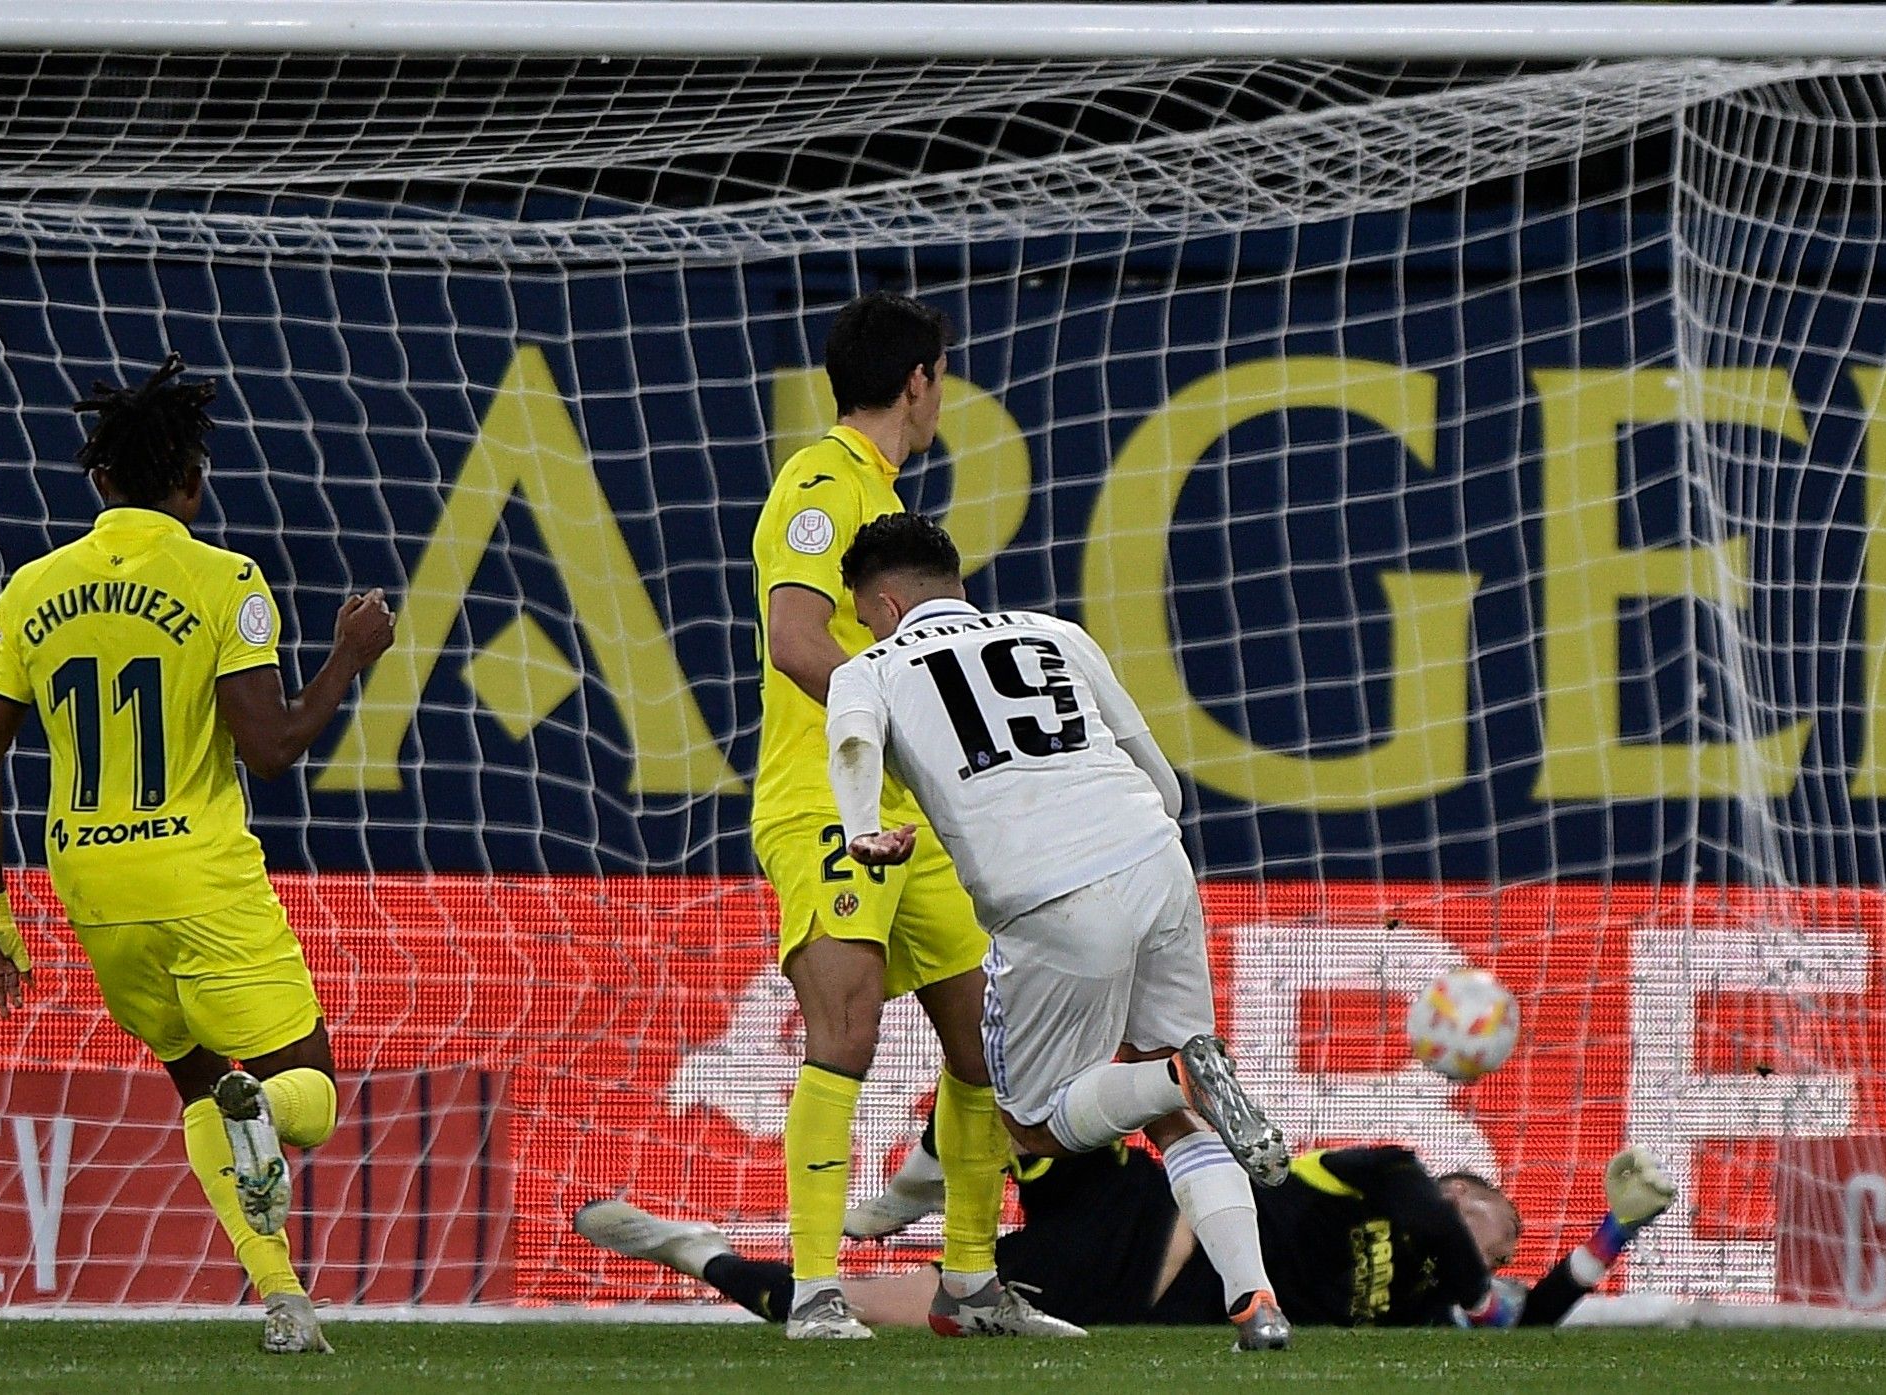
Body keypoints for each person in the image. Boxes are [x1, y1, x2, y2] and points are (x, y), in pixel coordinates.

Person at [0, 354, 396, 1354]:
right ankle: (263, 1113)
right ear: (192, 483)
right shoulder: (225, 580)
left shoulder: (33, 590)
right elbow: (272, 749)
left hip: (91, 886)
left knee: (194, 1077)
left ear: (99, 482)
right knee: (308, 1099)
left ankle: (284, 1303)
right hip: (199, 875)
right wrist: (347, 657)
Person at [830, 510, 1294, 1348]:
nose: (864, 627)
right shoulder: (1054, 632)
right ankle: (1256, 1300)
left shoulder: (869, 668)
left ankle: (1184, 1078)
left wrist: (862, 824)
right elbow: (1158, 772)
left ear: (886, 603)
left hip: (1050, 899)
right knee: (1167, 1110)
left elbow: (856, 748)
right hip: (1156, 858)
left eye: (862, 612)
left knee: (1035, 1123)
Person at [745, 294, 1055, 1339]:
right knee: (846, 1031)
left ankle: (968, 1284)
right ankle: (815, 1284)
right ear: (918, 380)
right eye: (940, 379)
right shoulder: (819, 484)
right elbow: (794, 640)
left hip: (912, 816)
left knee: (985, 1047)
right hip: (823, 802)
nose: (940, 400)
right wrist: (901, 719)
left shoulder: (880, 494)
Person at [577, 1137, 1675, 1333]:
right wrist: (1463, 1233)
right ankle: (909, 1190)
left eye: (1506, 1226)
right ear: (1453, 1185)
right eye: (1487, 1202)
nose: (1493, 1220)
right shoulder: (1391, 1181)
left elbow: (1529, 1313)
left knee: (851, 1311)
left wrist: (1611, 1230)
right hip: (1154, 1210)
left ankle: (684, 1249)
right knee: (1021, 1094)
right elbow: (1281, 1171)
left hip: (1123, 1301)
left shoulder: (1452, 1299)